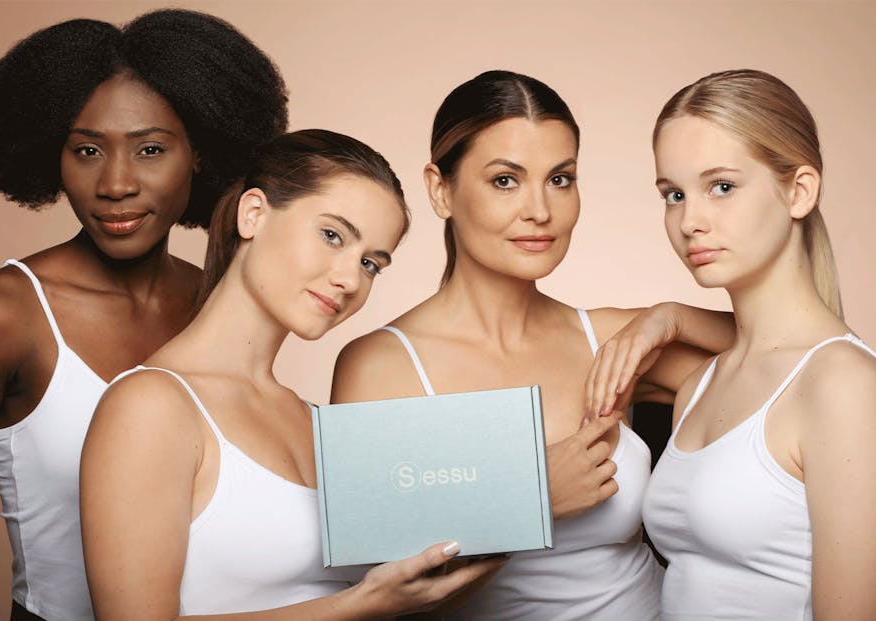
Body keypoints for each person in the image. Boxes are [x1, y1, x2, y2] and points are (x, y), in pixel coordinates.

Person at [331, 70, 733, 620]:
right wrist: (530, 495)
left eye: (560, 179)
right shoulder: (383, 364)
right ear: (440, 189)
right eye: (505, 180)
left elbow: (805, 351)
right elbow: (383, 597)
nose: (540, 211)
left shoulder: (613, 339)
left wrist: (671, 318)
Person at [79, 129, 505, 620]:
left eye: (371, 263)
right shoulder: (150, 405)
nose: (350, 279)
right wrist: (361, 604)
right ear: (253, 214)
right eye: (332, 236)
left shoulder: (321, 423)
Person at [0, 10, 287, 621]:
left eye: (151, 149)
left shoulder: (217, 301)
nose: (116, 183)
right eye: (86, 150)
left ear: (201, 154)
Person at [631, 69, 876, 620]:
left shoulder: (843, 385)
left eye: (722, 186)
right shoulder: (698, 385)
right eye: (674, 194)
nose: (690, 220)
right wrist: (667, 319)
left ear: (799, 190)